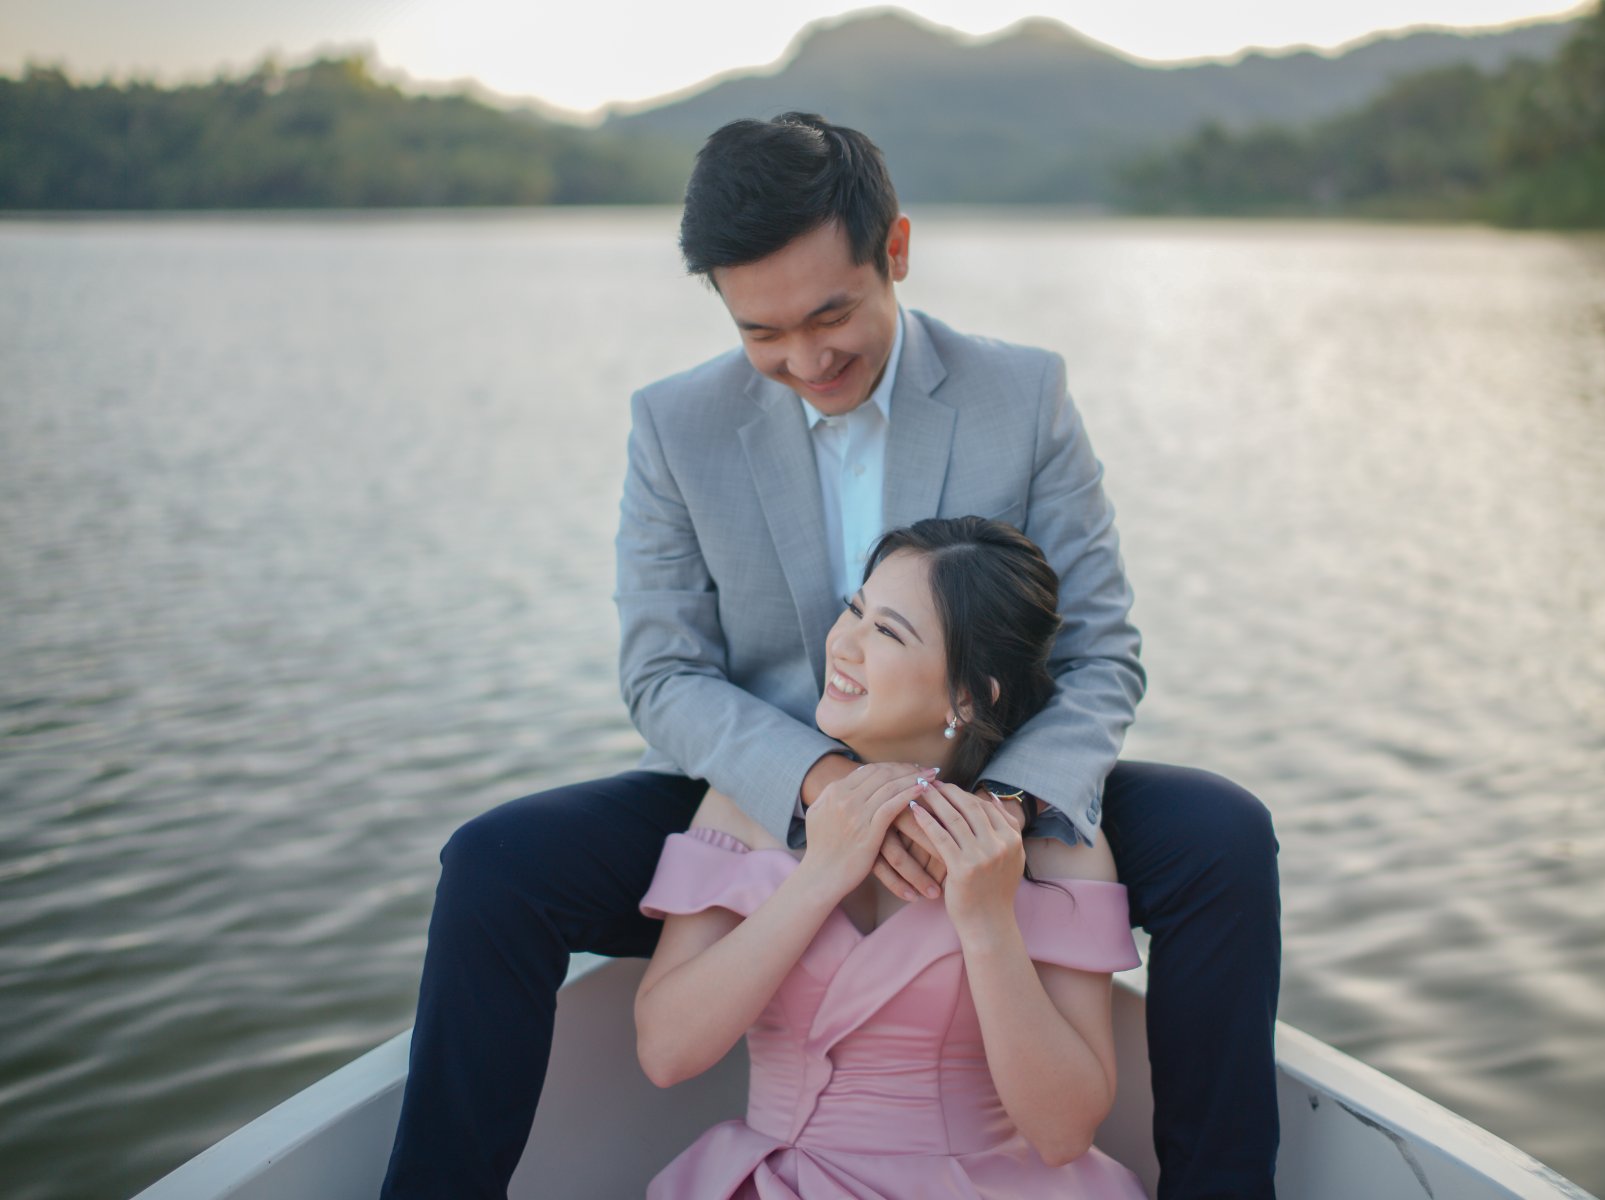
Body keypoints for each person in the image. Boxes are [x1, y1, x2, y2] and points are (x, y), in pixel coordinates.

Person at [380, 112, 1280, 1200]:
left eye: (831, 315)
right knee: (497, 864)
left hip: (986, 768)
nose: (806, 361)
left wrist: (989, 810)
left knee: (1222, 837)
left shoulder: (1023, 393)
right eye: (762, 333)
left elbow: (1101, 656)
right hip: (761, 797)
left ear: (894, 250)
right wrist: (825, 790)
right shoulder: (674, 424)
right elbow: (662, 672)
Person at [636, 516, 1148, 1197]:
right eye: (854, 610)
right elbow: (665, 1054)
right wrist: (818, 875)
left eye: (887, 632)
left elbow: (1063, 1134)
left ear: (967, 695)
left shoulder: (1051, 849)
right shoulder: (742, 804)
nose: (842, 643)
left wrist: (988, 923)